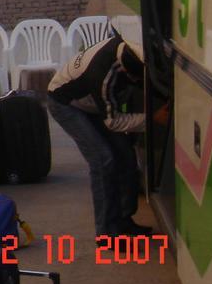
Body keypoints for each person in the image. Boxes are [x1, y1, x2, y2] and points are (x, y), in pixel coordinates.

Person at [47, 32, 156, 238]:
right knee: (103, 160)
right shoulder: (103, 75)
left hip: (92, 104)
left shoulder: (130, 49)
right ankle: (106, 233)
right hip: (65, 104)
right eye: (133, 79)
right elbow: (113, 122)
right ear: (125, 71)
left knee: (125, 154)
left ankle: (124, 221)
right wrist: (151, 119)